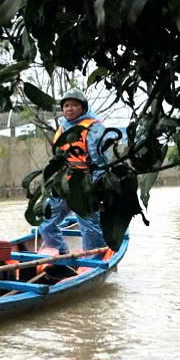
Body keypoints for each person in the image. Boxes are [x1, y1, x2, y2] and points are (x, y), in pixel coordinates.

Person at [39, 89, 107, 253]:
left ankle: (92, 260)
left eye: (74, 105)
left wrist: (98, 188)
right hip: (64, 183)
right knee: (45, 221)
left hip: (85, 184)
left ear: (83, 108)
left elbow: (101, 161)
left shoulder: (93, 128)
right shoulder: (62, 128)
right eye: (66, 105)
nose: (69, 109)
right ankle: (61, 255)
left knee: (90, 228)